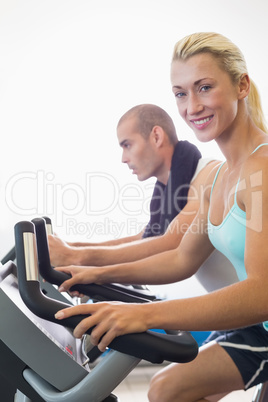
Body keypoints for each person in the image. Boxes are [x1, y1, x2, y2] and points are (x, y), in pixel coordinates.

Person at [53, 31, 268, 401]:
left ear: (242, 86)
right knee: (166, 390)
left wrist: (146, 316)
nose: (192, 107)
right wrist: (94, 274)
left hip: (259, 321)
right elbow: (180, 257)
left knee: (167, 390)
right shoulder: (215, 178)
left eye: (204, 88)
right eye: (181, 94)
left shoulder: (261, 171)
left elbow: (263, 292)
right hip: (253, 326)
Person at [49, 104, 236, 292]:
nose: (123, 158)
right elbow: (142, 240)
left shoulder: (209, 175)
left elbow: (173, 243)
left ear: (156, 136)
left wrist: (75, 256)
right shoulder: (167, 194)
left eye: (127, 145)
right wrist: (71, 247)